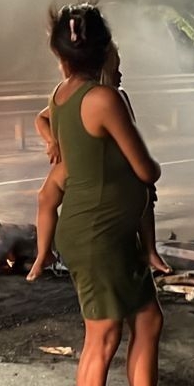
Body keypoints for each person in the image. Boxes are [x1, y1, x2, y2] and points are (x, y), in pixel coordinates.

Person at [27, 2, 183, 386]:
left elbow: (52, 127)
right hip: (97, 235)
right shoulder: (102, 99)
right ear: (105, 49)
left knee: (148, 320)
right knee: (104, 336)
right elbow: (146, 168)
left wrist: (58, 143)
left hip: (107, 232)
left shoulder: (64, 94)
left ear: (61, 57)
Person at [31, 44, 169, 279]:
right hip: (78, 158)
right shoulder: (75, 96)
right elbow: (41, 119)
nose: (121, 75)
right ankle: (43, 253)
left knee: (144, 189)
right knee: (45, 196)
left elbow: (131, 141)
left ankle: (150, 249)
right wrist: (51, 141)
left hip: (108, 158)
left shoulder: (116, 97)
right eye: (117, 69)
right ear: (103, 69)